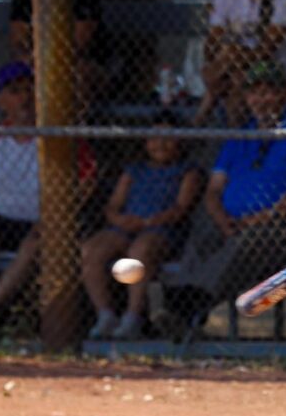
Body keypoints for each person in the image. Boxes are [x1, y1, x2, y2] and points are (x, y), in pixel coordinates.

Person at [155, 61, 286, 337]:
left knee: (249, 239)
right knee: (204, 236)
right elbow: (213, 190)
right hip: (232, 224)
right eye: (255, 93)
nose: (261, 99)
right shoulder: (238, 137)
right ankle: (185, 307)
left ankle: (186, 307)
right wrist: (222, 221)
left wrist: (262, 217)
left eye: (269, 92)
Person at [0, 62, 96, 334]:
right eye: (15, 91)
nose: (25, 98)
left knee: (37, 240)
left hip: (42, 222)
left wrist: (58, 214)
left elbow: (87, 181)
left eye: (30, 90)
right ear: (2, 100)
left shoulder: (58, 137)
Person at [82, 110, 203, 340]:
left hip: (162, 230)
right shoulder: (134, 170)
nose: (161, 144)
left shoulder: (188, 171)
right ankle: (105, 315)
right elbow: (113, 206)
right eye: (155, 138)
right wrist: (120, 220)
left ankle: (132, 318)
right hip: (127, 227)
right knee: (91, 250)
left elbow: (180, 209)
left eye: (169, 138)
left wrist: (150, 222)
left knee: (140, 250)